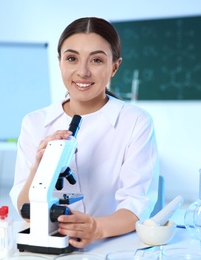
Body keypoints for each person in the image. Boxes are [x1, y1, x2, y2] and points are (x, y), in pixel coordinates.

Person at [10, 17, 159, 249]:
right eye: (72, 58)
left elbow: (136, 205)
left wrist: (96, 228)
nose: (83, 72)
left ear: (114, 67)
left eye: (97, 60)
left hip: (109, 246)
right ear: (60, 62)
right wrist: (39, 168)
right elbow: (25, 212)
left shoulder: (136, 122)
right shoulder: (34, 122)